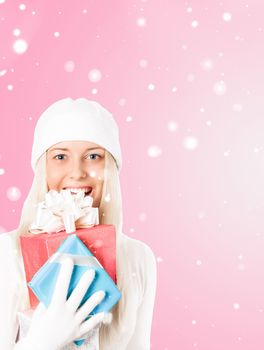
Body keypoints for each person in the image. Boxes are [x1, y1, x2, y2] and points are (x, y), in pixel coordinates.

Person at [0, 97, 157, 349]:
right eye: (60, 157)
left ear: (111, 168)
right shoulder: (6, 253)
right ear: (43, 168)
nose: (77, 172)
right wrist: (40, 342)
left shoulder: (138, 257)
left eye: (93, 156)